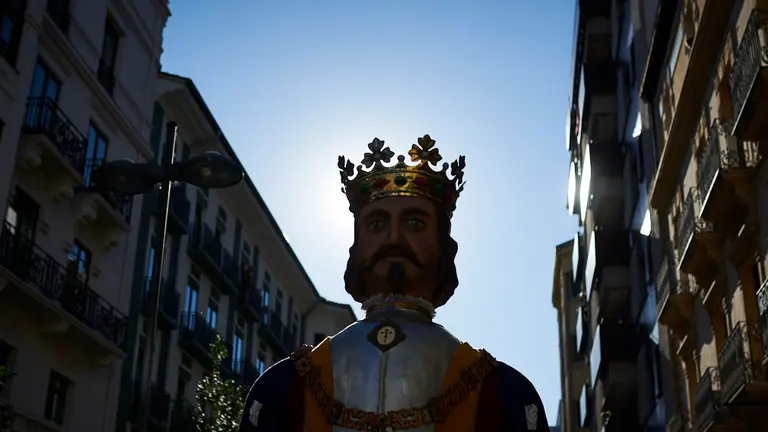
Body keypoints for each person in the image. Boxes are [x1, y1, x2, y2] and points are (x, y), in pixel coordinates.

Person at [239, 135, 549, 432]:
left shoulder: (503, 394)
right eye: (376, 224)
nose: (394, 238)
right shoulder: (283, 387)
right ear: (356, 245)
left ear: (443, 244)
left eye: (415, 223)